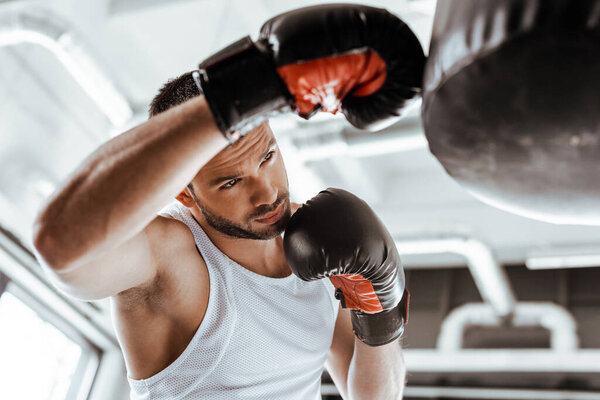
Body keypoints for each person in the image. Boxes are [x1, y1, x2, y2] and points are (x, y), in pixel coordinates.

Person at [32, 4, 422, 399]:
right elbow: (61, 248)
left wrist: (381, 313)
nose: (267, 193)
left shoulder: (315, 241)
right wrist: (247, 85)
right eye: (232, 182)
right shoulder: (171, 256)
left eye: (267, 156)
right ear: (185, 193)